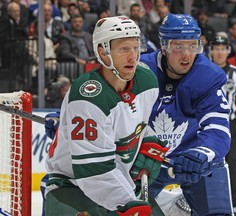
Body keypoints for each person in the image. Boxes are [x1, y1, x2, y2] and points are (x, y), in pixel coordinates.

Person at [44, 16, 169, 216]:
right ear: (103, 52)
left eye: (136, 48)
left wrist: (147, 140)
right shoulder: (88, 96)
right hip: (73, 186)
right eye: (124, 49)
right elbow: (92, 171)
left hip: (120, 183)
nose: (133, 57)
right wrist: (128, 202)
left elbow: (137, 122)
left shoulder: (147, 81)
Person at [140, 13, 233, 216]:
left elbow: (217, 128)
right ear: (164, 46)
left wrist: (203, 153)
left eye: (192, 46)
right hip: (147, 160)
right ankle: (166, 204)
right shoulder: (140, 71)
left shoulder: (208, 76)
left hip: (193, 160)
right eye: (179, 47)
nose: (187, 55)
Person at [209, 35, 236, 216]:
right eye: (216, 48)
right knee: (207, 161)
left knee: (232, 162)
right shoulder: (203, 70)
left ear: (228, 51)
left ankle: (235, 203)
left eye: (223, 48)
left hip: (230, 123)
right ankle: (207, 200)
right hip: (206, 123)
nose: (220, 52)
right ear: (211, 50)